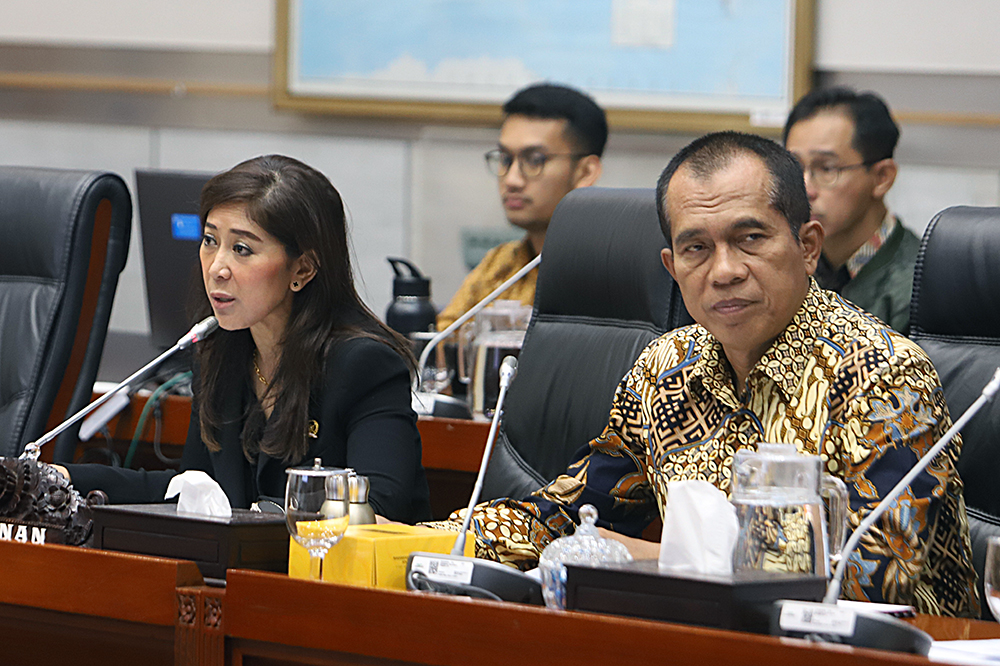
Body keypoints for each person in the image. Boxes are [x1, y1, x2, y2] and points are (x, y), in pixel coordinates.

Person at [434, 132, 979, 616]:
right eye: (697, 247)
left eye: (751, 239)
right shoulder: (664, 369)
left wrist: (665, 557)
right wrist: (426, 540)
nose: (724, 271)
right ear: (672, 268)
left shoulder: (880, 375)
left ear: (807, 247)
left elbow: (869, 580)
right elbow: (569, 514)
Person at [64, 155, 432, 523]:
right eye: (210, 240)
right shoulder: (221, 353)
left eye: (242, 249)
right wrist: (63, 480)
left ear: (302, 269)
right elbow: (191, 491)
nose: (217, 268)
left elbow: (380, 513)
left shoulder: (364, 365)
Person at [435, 83, 606, 330]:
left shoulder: (611, 272)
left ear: (586, 172)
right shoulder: (500, 264)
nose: (512, 179)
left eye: (534, 160)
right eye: (505, 158)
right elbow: (444, 346)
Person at [783, 86, 919, 334]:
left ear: (882, 178)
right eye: (793, 167)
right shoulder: (786, 265)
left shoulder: (921, 287)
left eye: (826, 169)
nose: (804, 188)